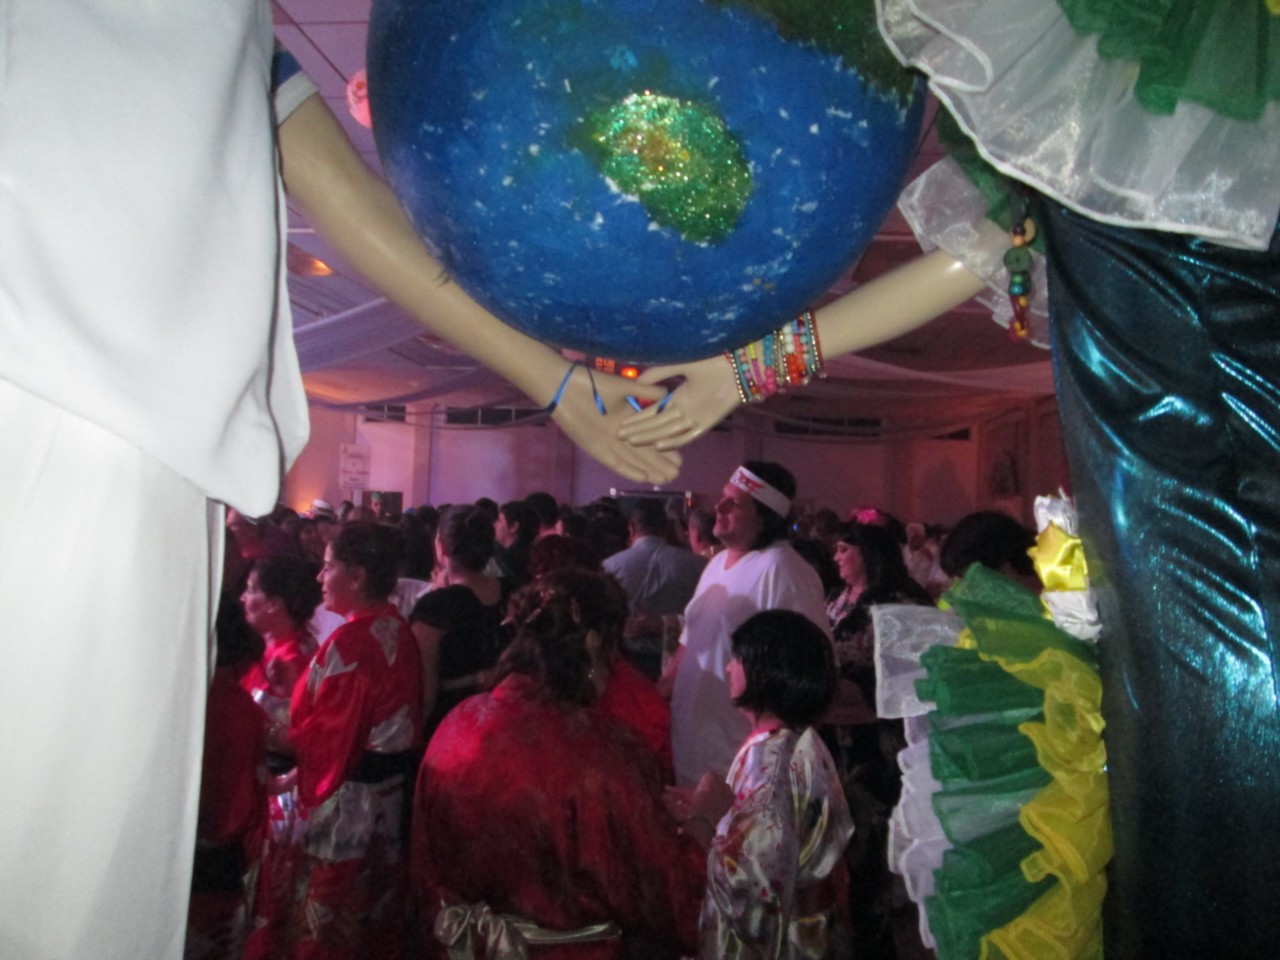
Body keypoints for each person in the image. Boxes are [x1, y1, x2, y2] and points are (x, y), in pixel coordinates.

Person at [411, 570, 704, 959]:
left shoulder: (457, 724)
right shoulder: (605, 752)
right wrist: (704, 825)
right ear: (595, 644)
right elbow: (665, 900)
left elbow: (424, 862)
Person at [666, 610, 853, 960]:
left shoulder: (771, 763)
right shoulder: (794, 739)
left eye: (736, 659)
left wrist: (705, 821)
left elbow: (753, 891)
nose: (728, 668)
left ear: (763, 672)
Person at [283, 522, 423, 959]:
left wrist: (275, 737)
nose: (319, 577)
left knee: (329, 929)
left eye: (328, 567)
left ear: (357, 575)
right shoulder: (394, 625)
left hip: (351, 807)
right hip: (387, 799)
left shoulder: (354, 643)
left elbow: (332, 741)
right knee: (371, 923)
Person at [662, 462, 831, 786]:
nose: (719, 507)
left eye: (735, 503)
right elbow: (690, 641)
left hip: (739, 765)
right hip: (693, 750)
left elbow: (812, 672)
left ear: (764, 516)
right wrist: (659, 691)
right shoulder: (715, 564)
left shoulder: (782, 570)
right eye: (722, 498)